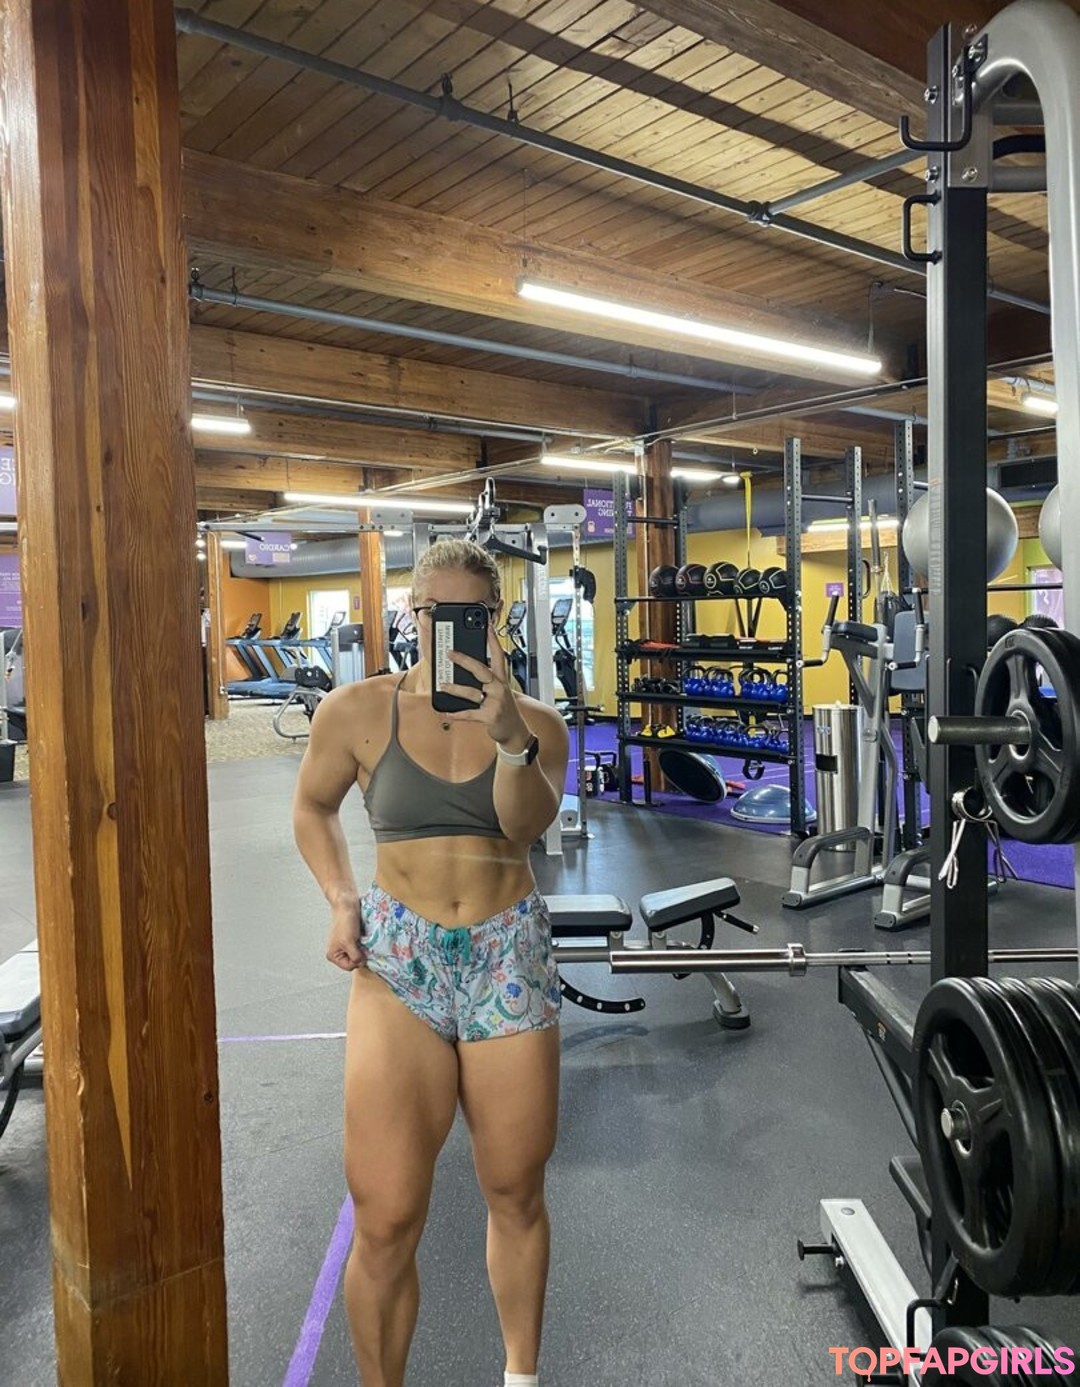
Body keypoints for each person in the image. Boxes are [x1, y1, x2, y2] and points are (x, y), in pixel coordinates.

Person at [293, 538, 570, 1387]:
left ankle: (520, 1374)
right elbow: (312, 806)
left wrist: (510, 739)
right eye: (435, 612)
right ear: (412, 615)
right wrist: (341, 897)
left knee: (515, 1191)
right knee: (384, 1216)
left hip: (506, 953)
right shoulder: (355, 711)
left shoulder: (539, 723)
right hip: (399, 959)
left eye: (471, 614)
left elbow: (525, 829)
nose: (451, 627)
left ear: (495, 618)